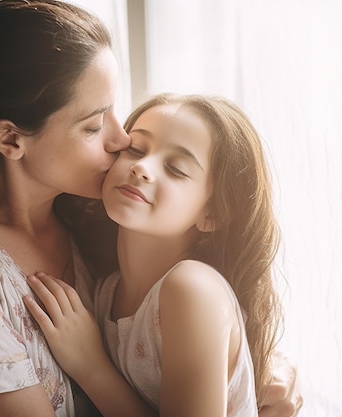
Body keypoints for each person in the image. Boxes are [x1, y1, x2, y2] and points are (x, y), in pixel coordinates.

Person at [0, 0, 301, 416]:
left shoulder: (92, 220)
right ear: (10, 139)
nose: (121, 140)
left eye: (115, 112)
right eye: (94, 124)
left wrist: (258, 363)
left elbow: (193, 303)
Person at [24, 92, 299, 416]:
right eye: (135, 149)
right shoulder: (105, 291)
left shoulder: (192, 287)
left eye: (177, 169)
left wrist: (91, 367)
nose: (142, 167)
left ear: (213, 214)